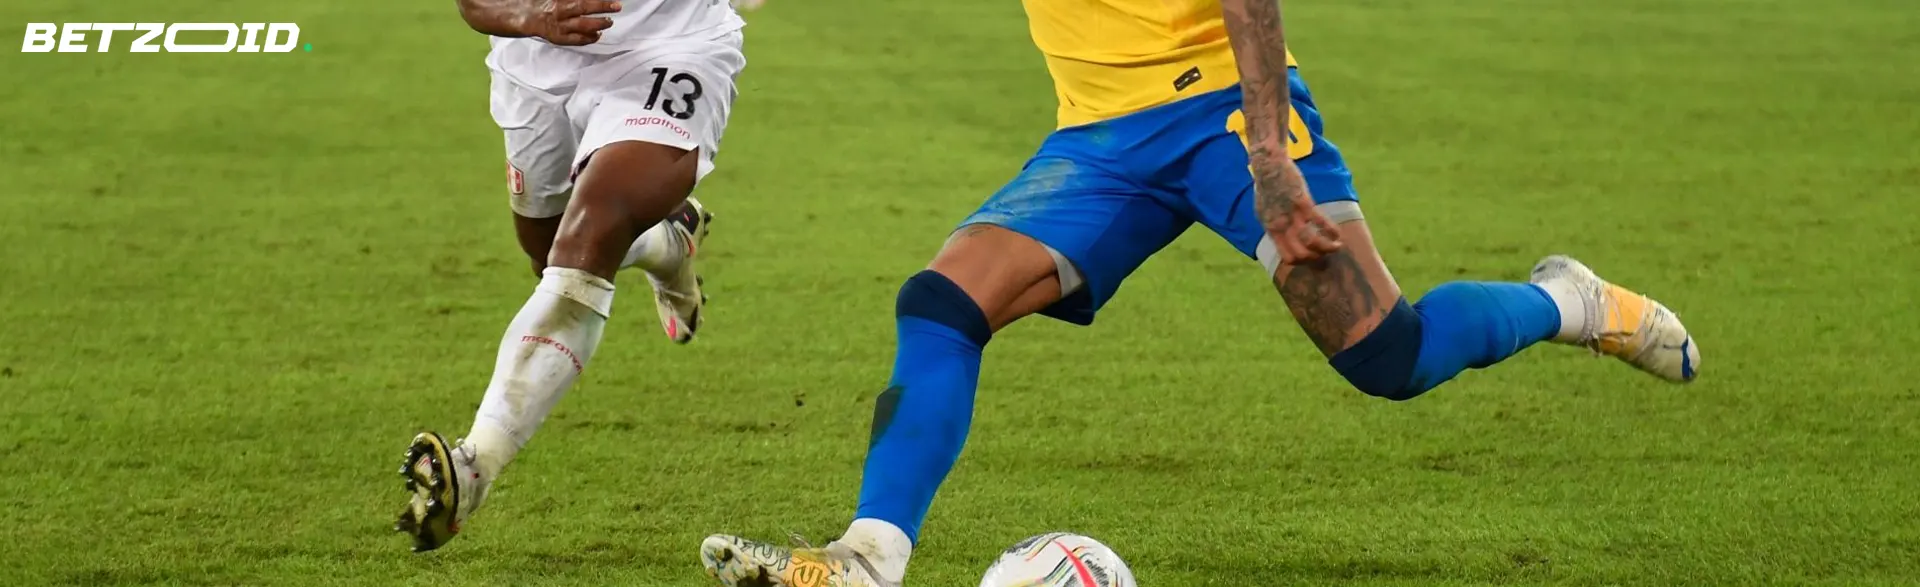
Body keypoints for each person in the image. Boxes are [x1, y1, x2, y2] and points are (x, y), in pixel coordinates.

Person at [696, 0, 1700, 583]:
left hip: (1224, 116)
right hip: (1100, 137)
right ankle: (869, 555)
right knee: (943, 301)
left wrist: (1268, 148)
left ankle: (1568, 301)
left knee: (1389, 354)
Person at [392, 0, 747, 552]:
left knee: (587, 238)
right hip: (534, 59)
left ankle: (473, 465)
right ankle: (667, 244)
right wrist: (528, 17)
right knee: (550, 255)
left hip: (670, 43)